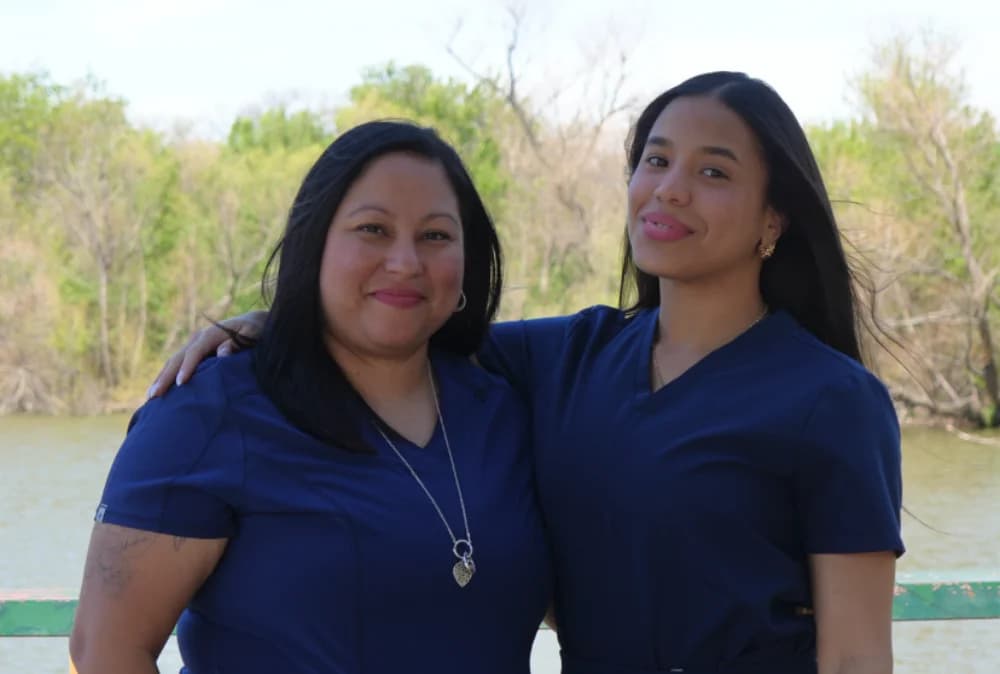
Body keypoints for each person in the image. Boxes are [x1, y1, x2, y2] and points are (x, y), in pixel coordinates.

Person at [148, 72, 904, 674]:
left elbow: (856, 655)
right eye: (656, 158)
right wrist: (275, 323)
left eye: (713, 171)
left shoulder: (833, 401)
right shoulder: (561, 359)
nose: (669, 187)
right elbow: (404, 322)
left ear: (773, 220)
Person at [69, 121, 553, 674]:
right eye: (373, 229)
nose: (405, 261)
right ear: (314, 242)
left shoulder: (505, 409)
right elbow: (106, 650)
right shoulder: (209, 409)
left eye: (436, 235)